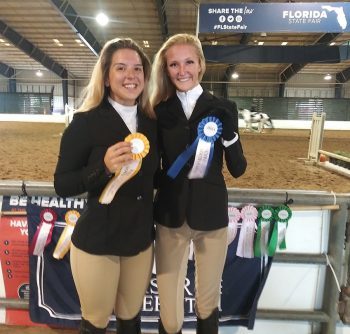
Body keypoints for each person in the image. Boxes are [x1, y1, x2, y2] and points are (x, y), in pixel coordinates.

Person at [54, 38, 158, 334]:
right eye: (121, 68)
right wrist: (103, 168)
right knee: (96, 323)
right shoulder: (83, 123)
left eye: (137, 69)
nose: (131, 75)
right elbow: (62, 184)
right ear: (107, 76)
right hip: (98, 241)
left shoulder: (152, 123)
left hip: (139, 242)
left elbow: (156, 177)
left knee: (131, 322)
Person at [149, 33, 247, 334]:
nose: (182, 71)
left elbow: (238, 168)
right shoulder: (159, 111)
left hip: (211, 217)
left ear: (201, 64)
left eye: (188, 62)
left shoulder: (224, 108)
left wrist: (229, 133)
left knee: (208, 304)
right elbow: (154, 169)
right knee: (170, 309)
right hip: (170, 217)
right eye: (174, 64)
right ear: (166, 70)